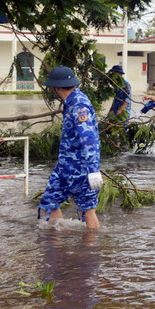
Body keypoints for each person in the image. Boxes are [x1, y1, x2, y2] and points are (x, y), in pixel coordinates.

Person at [38, 66, 103, 229]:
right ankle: (59, 242)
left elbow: (89, 139)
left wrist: (93, 170)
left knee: (86, 208)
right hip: (65, 166)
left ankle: (92, 244)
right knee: (49, 201)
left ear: (56, 88)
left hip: (81, 168)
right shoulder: (71, 103)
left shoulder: (79, 105)